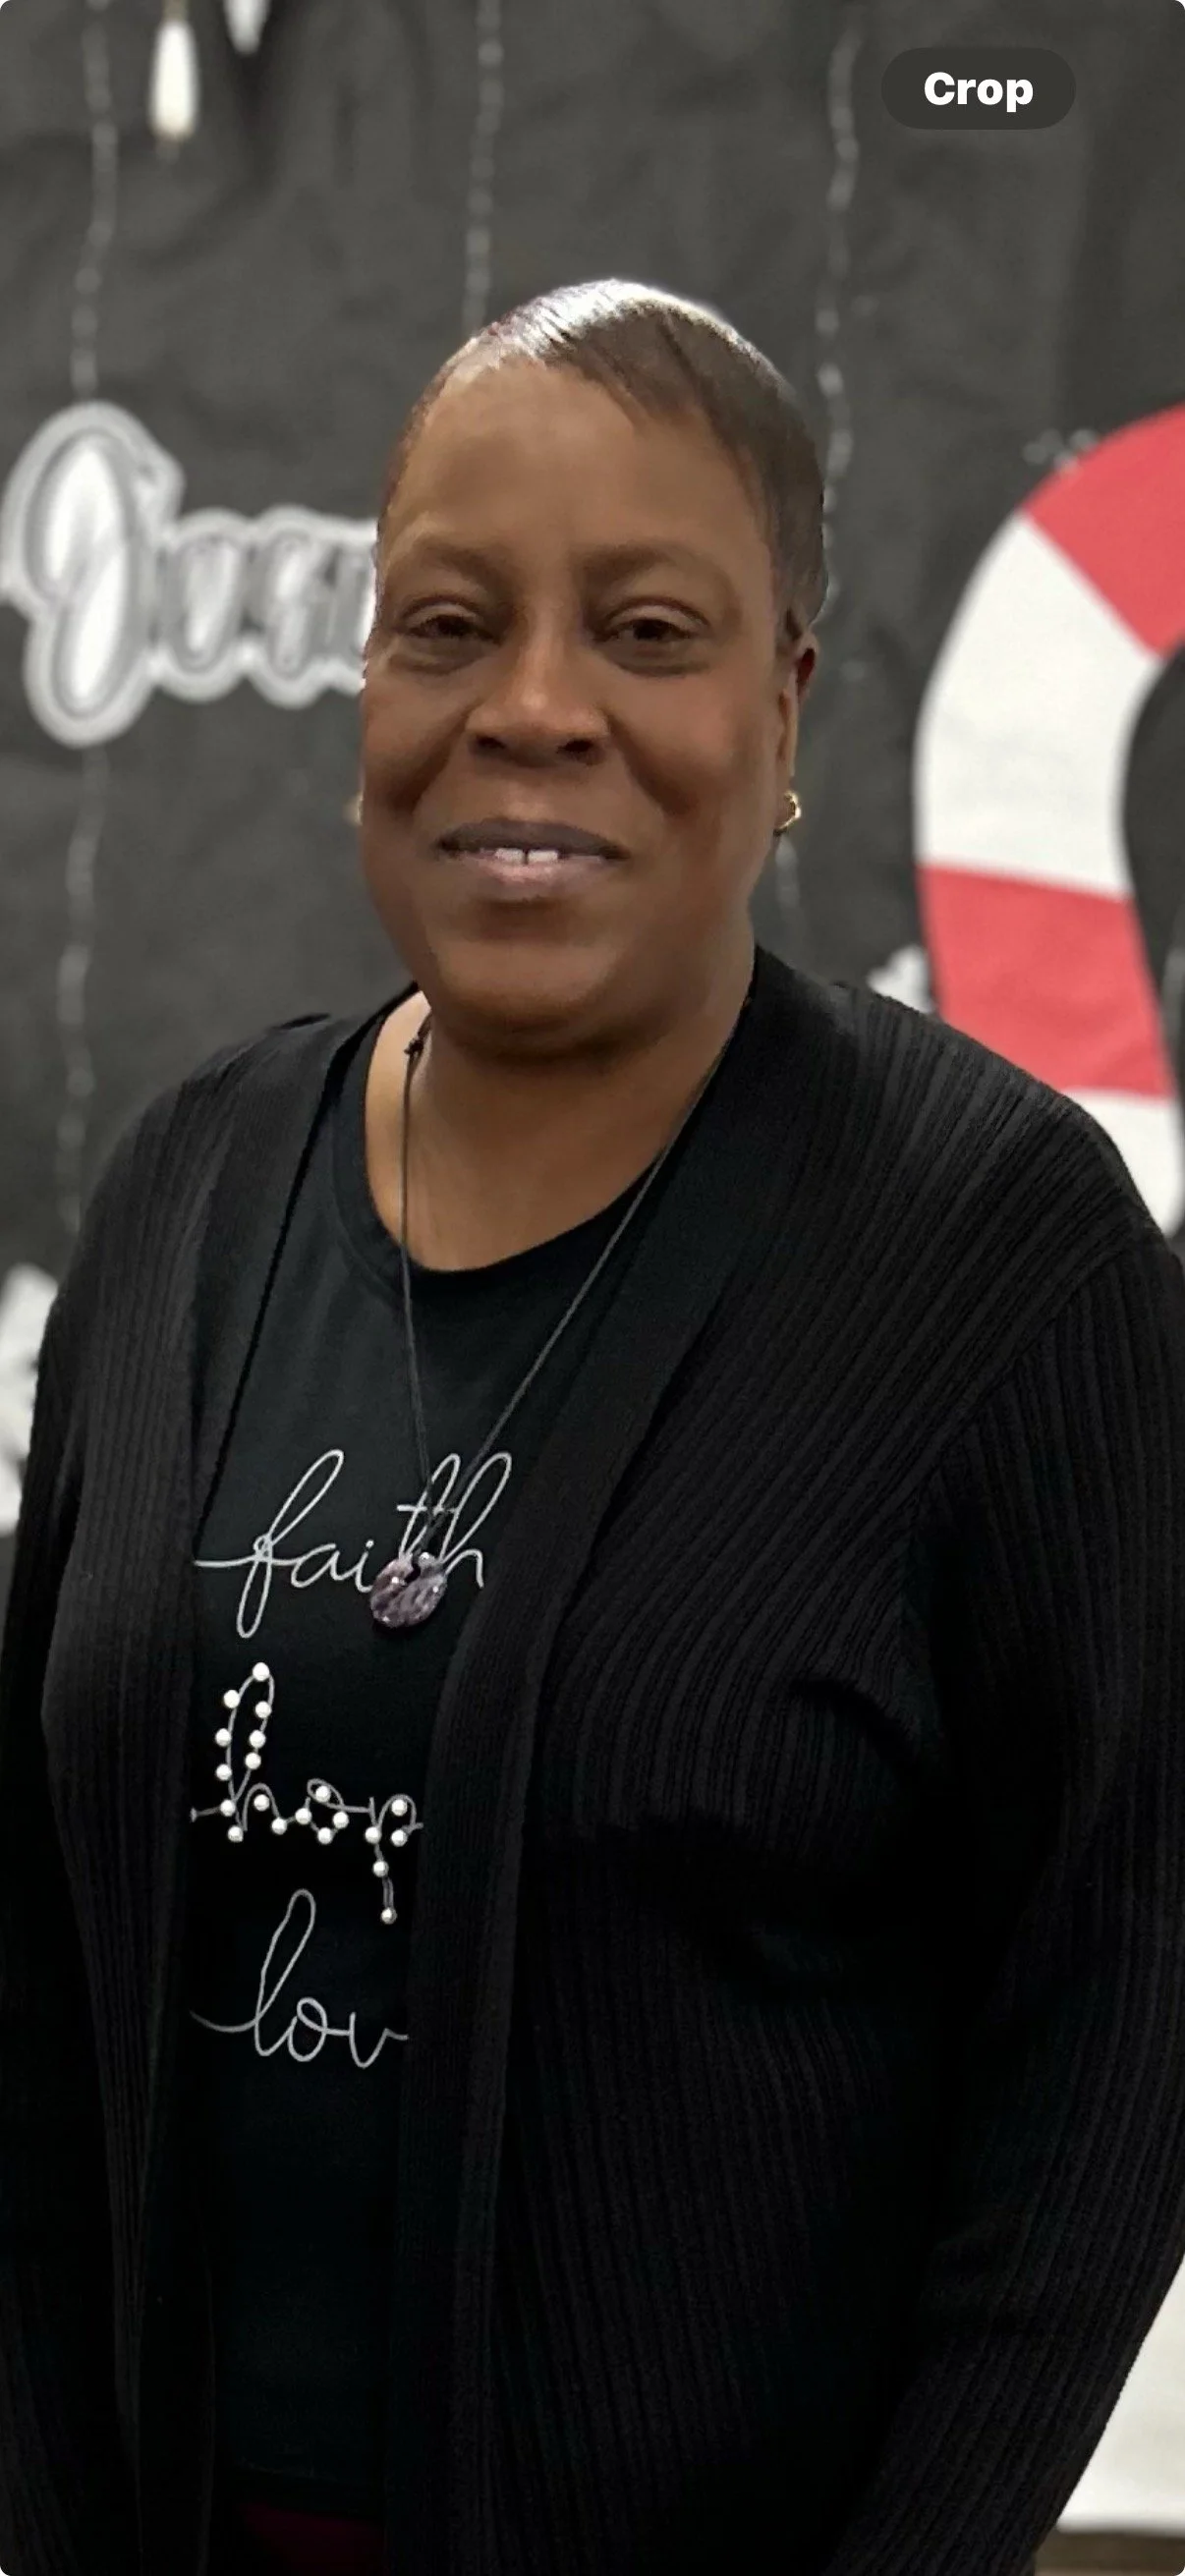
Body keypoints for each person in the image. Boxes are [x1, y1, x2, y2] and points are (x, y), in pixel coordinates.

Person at [2, 278, 1185, 2576]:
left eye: (648, 632)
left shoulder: (1003, 1260)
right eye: (449, 624)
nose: (532, 710)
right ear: (365, 685)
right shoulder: (176, 1202)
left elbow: (1112, 2054)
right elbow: (36, 1966)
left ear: (789, 704)